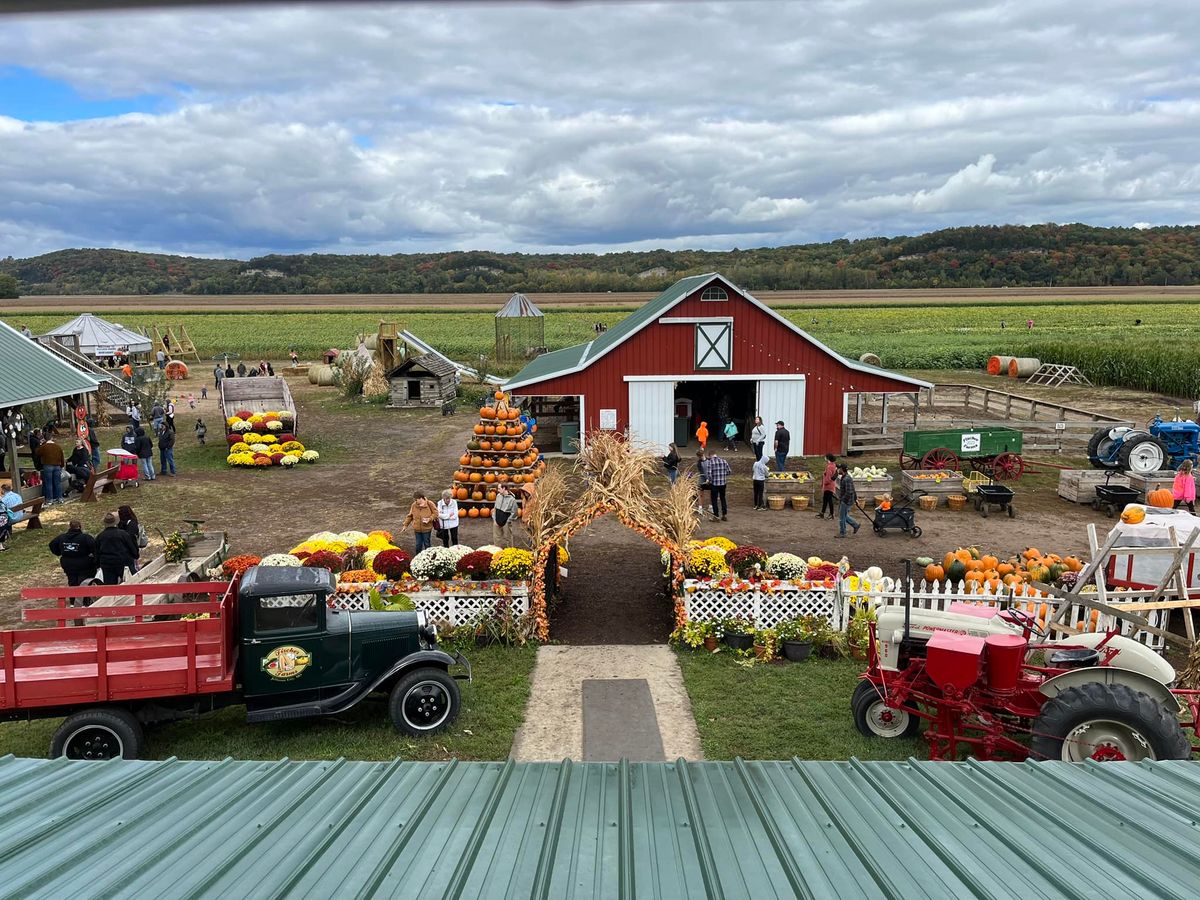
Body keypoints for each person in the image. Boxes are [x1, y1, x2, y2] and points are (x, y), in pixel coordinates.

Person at [95, 511, 139, 585]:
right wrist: (135, 555)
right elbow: (131, 546)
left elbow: (96, 551)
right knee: (130, 583)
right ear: (115, 523)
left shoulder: (100, 536)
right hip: (124, 562)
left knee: (110, 586)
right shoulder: (123, 534)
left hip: (107, 563)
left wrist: (98, 564)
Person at [49, 521, 98, 587]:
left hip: (68, 564)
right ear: (80, 527)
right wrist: (94, 560)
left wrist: (58, 552)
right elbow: (95, 548)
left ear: (70, 527)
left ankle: (73, 596)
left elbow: (52, 544)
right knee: (84, 582)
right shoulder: (86, 538)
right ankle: (84, 596)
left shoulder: (62, 537)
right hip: (84, 564)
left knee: (72, 581)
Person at [36, 434, 65, 505]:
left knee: (48, 483)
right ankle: (60, 498)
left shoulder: (44, 447)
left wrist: (40, 444)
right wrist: (62, 465)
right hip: (57, 466)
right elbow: (62, 457)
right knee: (57, 483)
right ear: (52, 438)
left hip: (47, 466)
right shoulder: (58, 447)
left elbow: (37, 453)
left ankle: (49, 500)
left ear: (45, 439)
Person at [705, 451, 732, 521]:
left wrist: (709, 481)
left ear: (710, 456)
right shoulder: (724, 461)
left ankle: (716, 516)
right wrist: (723, 475)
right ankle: (724, 514)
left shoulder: (710, 462)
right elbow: (729, 471)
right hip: (723, 483)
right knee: (723, 498)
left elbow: (709, 474)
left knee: (714, 500)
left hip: (714, 484)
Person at [835, 463, 860, 538]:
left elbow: (849, 492)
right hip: (846, 500)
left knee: (842, 517)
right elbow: (853, 489)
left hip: (846, 501)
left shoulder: (847, 479)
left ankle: (843, 533)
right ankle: (855, 525)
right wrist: (855, 499)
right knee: (844, 516)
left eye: (839, 468)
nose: (837, 470)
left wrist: (843, 500)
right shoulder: (845, 477)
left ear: (842, 469)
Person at [1, 482, 26, 550]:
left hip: (11, 518)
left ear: (3, 490)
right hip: (20, 515)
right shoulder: (18, 496)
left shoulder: (3, 500)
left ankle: (4, 535)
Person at [819, 453, 838, 519]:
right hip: (831, 485)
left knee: (829, 500)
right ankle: (822, 513)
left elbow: (828, 478)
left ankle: (831, 514)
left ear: (828, 458)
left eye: (825, 457)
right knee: (825, 500)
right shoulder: (833, 465)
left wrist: (825, 484)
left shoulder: (829, 467)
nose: (824, 458)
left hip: (828, 486)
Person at [694, 449, 710, 517]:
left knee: (710, 493)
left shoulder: (709, 460)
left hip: (708, 479)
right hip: (702, 479)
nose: (700, 457)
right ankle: (700, 508)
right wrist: (707, 479)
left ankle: (710, 507)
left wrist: (708, 478)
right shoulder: (699, 463)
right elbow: (702, 472)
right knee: (701, 494)